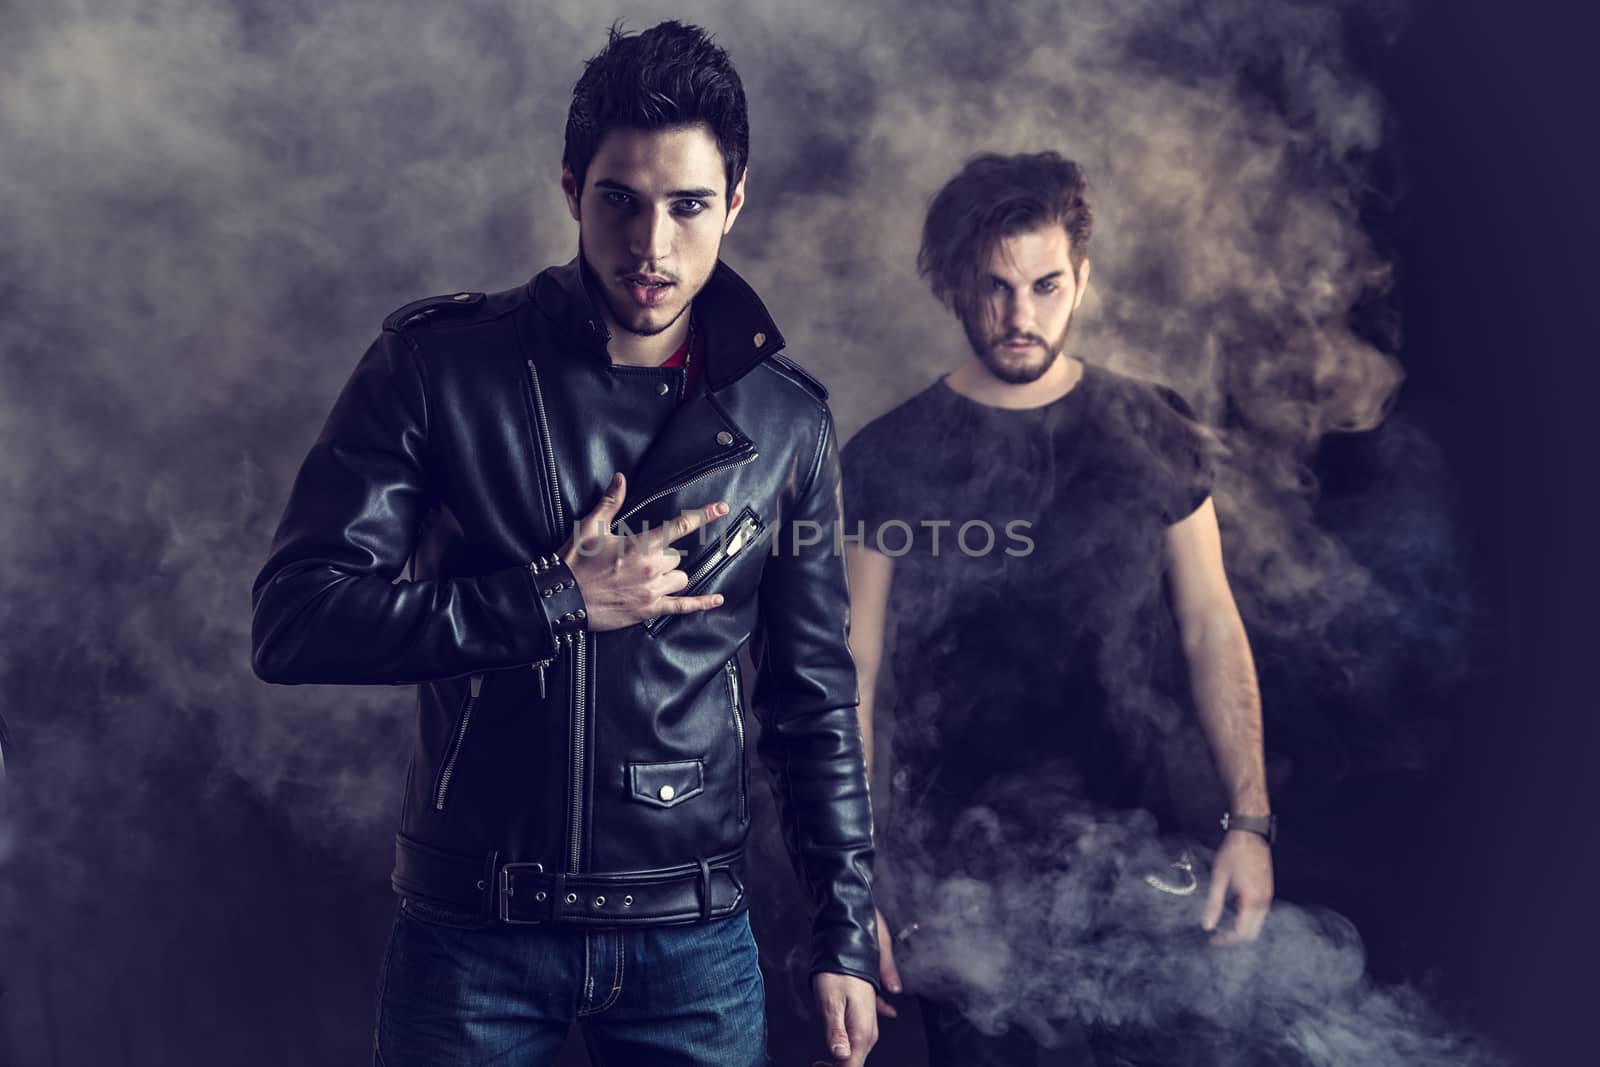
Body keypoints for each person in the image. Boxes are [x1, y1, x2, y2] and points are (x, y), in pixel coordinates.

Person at [250, 22, 879, 1067]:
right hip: (472, 935)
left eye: (686, 205)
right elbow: (296, 619)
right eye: (618, 201)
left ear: (736, 200)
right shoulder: (437, 366)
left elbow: (811, 698)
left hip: (691, 939)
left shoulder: (786, 425)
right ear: (569, 189)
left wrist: (846, 931)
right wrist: (553, 596)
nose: (651, 246)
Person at [840, 152, 1275, 1065]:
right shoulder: (888, 454)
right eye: (995, 288)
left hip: (1154, 870)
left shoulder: (1155, 425)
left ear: (1082, 277)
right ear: (957, 283)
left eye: (1044, 285)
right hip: (960, 891)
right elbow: (853, 674)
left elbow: (1211, 625)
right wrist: (853, 886)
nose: (1019, 315)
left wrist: (1249, 821)